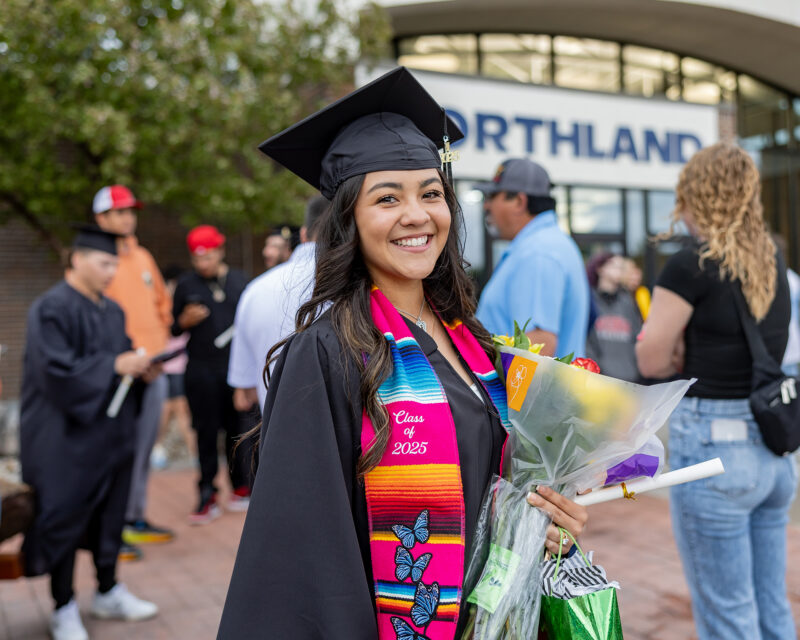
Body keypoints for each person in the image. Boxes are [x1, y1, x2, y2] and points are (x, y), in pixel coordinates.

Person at [216, 66, 588, 639]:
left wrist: (543, 521)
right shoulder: (327, 354)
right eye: (387, 198)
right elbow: (305, 557)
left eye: (431, 194)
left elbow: (491, 487)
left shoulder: (473, 344)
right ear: (349, 220)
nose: (417, 215)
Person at [636, 142, 796, 640]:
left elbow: (650, 360)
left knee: (728, 616)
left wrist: (679, 344)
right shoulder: (771, 260)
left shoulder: (691, 265)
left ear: (696, 196)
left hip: (714, 451)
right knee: (770, 606)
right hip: (772, 451)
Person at [20, 225, 159, 640]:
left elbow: (122, 361)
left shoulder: (112, 310)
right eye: (104, 263)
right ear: (77, 259)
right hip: (64, 439)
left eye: (115, 263)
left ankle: (107, 590)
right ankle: (62, 605)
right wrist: (114, 365)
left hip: (110, 435)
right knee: (64, 517)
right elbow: (56, 373)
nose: (111, 271)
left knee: (109, 516)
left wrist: (141, 370)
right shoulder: (50, 309)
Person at [93, 185, 174, 552]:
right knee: (116, 451)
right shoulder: (98, 261)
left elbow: (161, 303)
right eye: (120, 212)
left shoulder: (142, 256)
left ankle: (133, 517)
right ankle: (109, 527)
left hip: (152, 370)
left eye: (130, 211)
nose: (128, 218)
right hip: (118, 373)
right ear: (101, 218)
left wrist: (158, 346)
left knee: (142, 449)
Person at [172, 225, 251, 523]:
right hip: (201, 369)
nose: (202, 264)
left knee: (237, 429)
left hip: (234, 369)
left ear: (220, 251)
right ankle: (207, 493)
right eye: (197, 258)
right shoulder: (186, 284)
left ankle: (240, 486)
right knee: (205, 432)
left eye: (207, 257)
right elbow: (173, 328)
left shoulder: (240, 281)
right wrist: (184, 320)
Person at [475, 158, 589, 358]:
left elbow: (538, 349)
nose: (486, 206)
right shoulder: (543, 245)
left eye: (492, 196)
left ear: (519, 202)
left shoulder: (538, 253)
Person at [228, 195, 328, 414]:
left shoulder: (255, 290)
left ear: (303, 234)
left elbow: (246, 391)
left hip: (275, 425)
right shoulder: (367, 285)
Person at [150, 265, 194, 470]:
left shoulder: (183, 304)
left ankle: (159, 450)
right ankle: (160, 450)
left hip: (179, 366)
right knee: (171, 409)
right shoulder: (162, 305)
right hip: (167, 366)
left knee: (175, 409)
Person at [585, 252, 642, 382]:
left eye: (621, 267)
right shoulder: (589, 300)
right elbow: (587, 340)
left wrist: (636, 370)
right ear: (600, 269)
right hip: (600, 380)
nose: (619, 270)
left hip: (629, 379)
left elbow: (637, 336)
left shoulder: (627, 301)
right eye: (614, 265)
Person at [621, 256, 650, 321]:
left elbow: (647, 316)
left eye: (636, 274)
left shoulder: (642, 292)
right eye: (631, 274)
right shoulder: (619, 295)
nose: (635, 277)